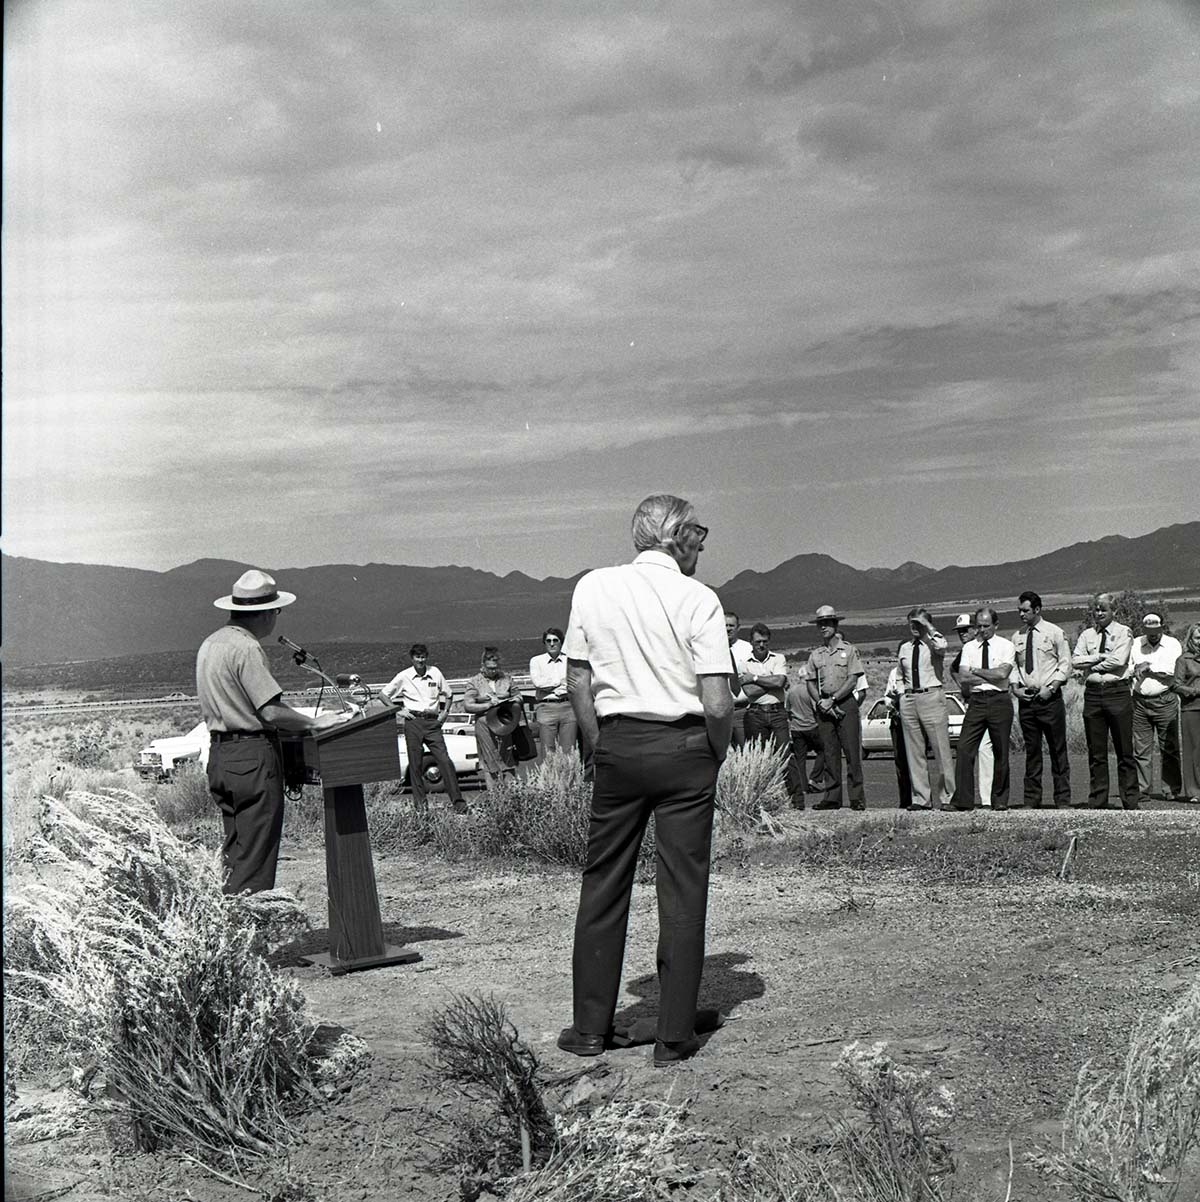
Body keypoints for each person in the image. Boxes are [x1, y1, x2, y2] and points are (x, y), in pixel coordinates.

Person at [557, 494, 731, 1068]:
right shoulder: (699, 598)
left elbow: (578, 679)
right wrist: (715, 752)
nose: (703, 544)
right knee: (683, 888)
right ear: (677, 537)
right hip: (685, 749)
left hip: (619, 743)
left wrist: (598, 744)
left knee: (603, 880)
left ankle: (588, 1029)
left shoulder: (593, 587)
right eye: (699, 534)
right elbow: (716, 698)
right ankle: (674, 1033)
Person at [197, 569, 348, 894]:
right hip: (252, 757)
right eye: (277, 610)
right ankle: (250, 939)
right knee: (255, 863)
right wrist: (314, 722)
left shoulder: (211, 644)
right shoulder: (247, 648)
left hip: (222, 757)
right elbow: (270, 710)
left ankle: (228, 933)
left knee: (237, 856)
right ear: (264, 613)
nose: (276, 618)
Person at [380, 643, 467, 814]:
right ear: (412, 659)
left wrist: (444, 713)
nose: (421, 660)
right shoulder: (404, 676)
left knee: (445, 761)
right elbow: (383, 695)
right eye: (417, 657)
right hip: (413, 722)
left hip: (433, 722)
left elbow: (449, 694)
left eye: (423, 657)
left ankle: (459, 804)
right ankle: (420, 807)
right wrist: (400, 711)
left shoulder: (435, 672)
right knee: (415, 764)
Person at [1071, 594, 1138, 810]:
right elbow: (1075, 660)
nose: (1099, 613)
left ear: (1114, 612)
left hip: (1117, 692)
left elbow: (1119, 661)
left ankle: (1129, 800)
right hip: (1093, 695)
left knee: (1124, 750)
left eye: (1104, 610)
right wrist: (1099, 658)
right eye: (1096, 610)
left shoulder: (1123, 632)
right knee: (1096, 751)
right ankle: (1098, 800)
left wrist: (1090, 665)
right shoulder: (1087, 635)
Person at [1011, 591, 1072, 808]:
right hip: (1027, 702)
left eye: (1025, 610)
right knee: (1032, 751)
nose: (1021, 615)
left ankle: (1063, 799)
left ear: (1037, 610)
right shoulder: (1017, 637)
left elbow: (1065, 663)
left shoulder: (1055, 633)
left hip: (1049, 700)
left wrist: (1053, 687)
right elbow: (1015, 667)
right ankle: (1032, 800)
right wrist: (1016, 689)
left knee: (1058, 750)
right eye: (1019, 610)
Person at [951, 607, 1015, 811]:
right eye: (978, 626)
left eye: (986, 626)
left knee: (1000, 750)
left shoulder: (1006, 646)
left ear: (996, 625)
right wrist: (989, 674)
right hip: (977, 700)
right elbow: (964, 677)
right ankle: (963, 799)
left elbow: (1003, 674)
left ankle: (1000, 799)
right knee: (964, 748)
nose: (982, 630)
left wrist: (977, 670)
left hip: (999, 700)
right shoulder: (970, 648)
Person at [806, 605, 867, 811]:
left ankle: (857, 797)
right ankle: (832, 797)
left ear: (835, 624)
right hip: (823, 706)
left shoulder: (849, 651)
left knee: (851, 752)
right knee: (829, 752)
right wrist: (821, 702)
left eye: (827, 623)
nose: (823, 627)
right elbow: (811, 682)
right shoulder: (815, 654)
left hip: (845, 703)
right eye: (820, 623)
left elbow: (852, 679)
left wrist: (833, 699)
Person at [895, 607, 954, 811]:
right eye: (911, 622)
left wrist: (928, 626)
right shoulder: (905, 648)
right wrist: (902, 695)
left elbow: (943, 646)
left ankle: (948, 797)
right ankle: (921, 798)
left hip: (932, 696)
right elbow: (900, 675)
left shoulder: (933, 643)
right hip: (910, 698)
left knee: (941, 749)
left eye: (918, 623)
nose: (914, 627)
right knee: (914, 752)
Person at [739, 623, 800, 797]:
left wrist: (756, 678)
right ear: (751, 642)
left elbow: (780, 682)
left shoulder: (778, 658)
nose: (761, 645)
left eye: (765, 641)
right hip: (755, 713)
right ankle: (762, 797)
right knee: (758, 757)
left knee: (785, 754)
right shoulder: (744, 663)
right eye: (758, 641)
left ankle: (796, 798)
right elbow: (749, 692)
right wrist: (772, 682)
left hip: (777, 712)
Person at [1130, 612, 1183, 804]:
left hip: (1164, 700)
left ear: (1162, 628)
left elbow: (1172, 672)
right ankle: (1143, 790)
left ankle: (1171, 789)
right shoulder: (1135, 643)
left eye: (1156, 630)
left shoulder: (1172, 644)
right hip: (1139, 701)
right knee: (1141, 749)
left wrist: (1148, 667)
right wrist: (1136, 668)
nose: (1153, 635)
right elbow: (1128, 668)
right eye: (1149, 631)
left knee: (1168, 747)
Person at [462, 647, 523, 790]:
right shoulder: (474, 682)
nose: (493, 671)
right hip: (484, 724)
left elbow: (519, 697)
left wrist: (508, 699)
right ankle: (495, 797)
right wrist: (487, 704)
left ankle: (512, 795)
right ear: (483, 665)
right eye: (489, 668)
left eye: (495, 668)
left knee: (507, 759)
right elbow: (468, 705)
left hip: (505, 723)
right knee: (490, 762)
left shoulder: (507, 679)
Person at [951, 614, 992, 806]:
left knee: (986, 748)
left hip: (989, 699)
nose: (962, 634)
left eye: (965, 630)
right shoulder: (964, 651)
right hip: (971, 701)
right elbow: (955, 670)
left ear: (976, 629)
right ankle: (966, 796)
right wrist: (963, 688)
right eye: (959, 631)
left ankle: (987, 798)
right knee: (967, 749)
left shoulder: (985, 646)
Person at [785, 662, 828, 809]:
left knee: (800, 759)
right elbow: (816, 708)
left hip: (796, 728)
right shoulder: (810, 690)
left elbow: (788, 710)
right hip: (811, 726)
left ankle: (802, 786)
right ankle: (815, 777)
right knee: (823, 750)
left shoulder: (791, 691)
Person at [530, 627, 578, 755]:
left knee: (569, 750)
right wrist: (560, 681)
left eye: (555, 640)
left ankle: (569, 775)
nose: (552, 643)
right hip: (546, 708)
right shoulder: (536, 661)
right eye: (548, 641)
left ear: (561, 642)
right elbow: (539, 683)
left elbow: (574, 683)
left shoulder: (570, 660)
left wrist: (552, 685)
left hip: (568, 707)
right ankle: (550, 775)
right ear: (544, 643)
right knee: (548, 751)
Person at [1172, 623, 1200, 804]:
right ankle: (1194, 791)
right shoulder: (1183, 660)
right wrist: (1193, 691)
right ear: (1191, 639)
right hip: (1192, 708)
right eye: (1198, 637)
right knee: (1193, 750)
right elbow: (1175, 685)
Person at [883, 660, 913, 809]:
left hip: (913, 718)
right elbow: (887, 697)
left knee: (916, 759)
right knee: (900, 760)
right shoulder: (894, 673)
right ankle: (905, 799)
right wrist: (891, 703)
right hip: (898, 719)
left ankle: (920, 798)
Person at [725, 611, 753, 748]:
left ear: (738, 628)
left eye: (731, 625)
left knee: (746, 751)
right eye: (724, 625)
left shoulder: (748, 649)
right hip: (722, 713)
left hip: (744, 710)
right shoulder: (712, 649)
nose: (728, 628)